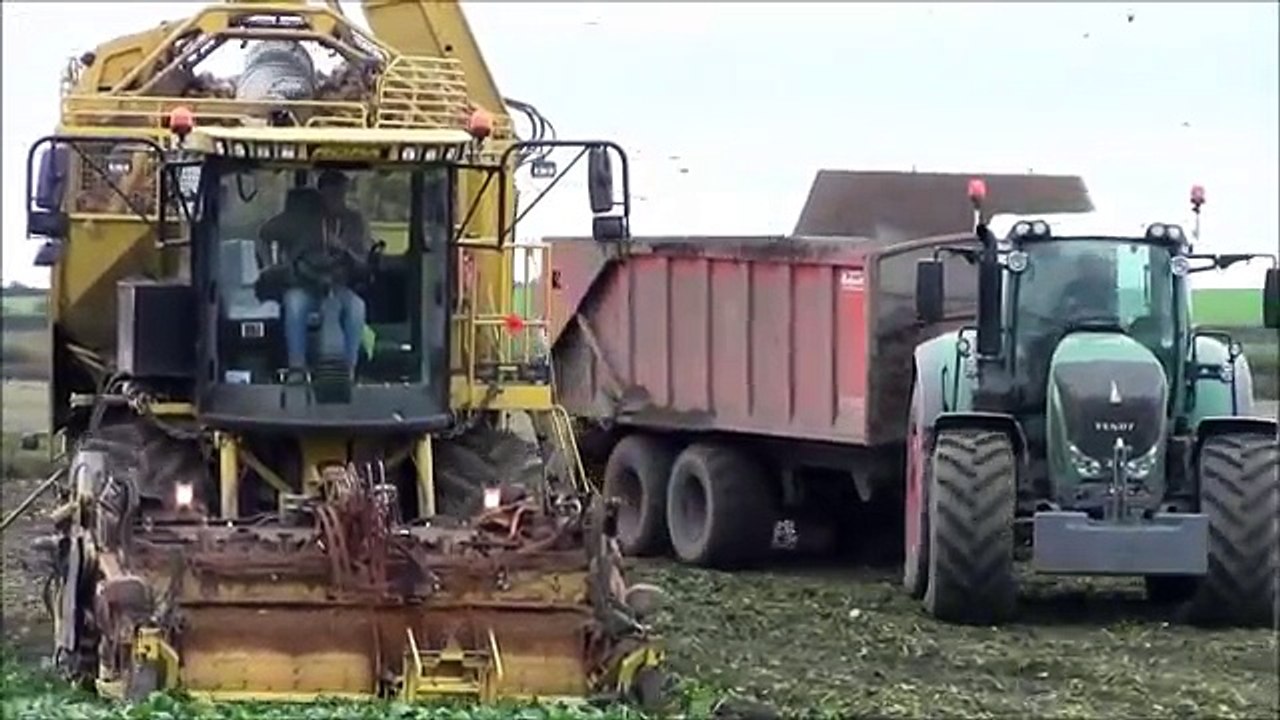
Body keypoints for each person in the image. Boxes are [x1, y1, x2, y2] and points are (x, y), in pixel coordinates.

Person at [260, 171, 371, 381]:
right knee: (294, 305)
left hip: (338, 287)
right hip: (304, 285)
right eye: (330, 194)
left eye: (340, 194)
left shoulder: (353, 221)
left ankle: (348, 371)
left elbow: (362, 262)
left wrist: (343, 248)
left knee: (357, 308)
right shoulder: (299, 219)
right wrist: (270, 266)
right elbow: (264, 234)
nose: (335, 199)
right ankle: (297, 368)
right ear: (320, 193)